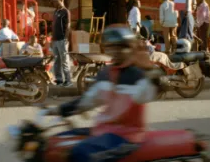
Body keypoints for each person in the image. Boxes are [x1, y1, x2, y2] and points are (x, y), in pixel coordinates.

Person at [42, 25, 157, 162]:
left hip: (127, 136)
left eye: (120, 47)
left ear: (130, 48)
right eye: (111, 47)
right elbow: (88, 100)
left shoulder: (138, 75)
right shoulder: (107, 73)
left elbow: (150, 91)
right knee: (55, 142)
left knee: (79, 153)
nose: (115, 51)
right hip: (103, 129)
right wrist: (58, 110)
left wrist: (150, 71)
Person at [52, 0, 72, 87]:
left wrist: (66, 38)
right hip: (55, 40)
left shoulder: (65, 12)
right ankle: (59, 80)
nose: (55, 3)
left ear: (61, 0)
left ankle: (68, 80)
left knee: (64, 60)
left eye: (57, 1)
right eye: (54, 2)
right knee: (57, 61)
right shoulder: (56, 11)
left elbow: (68, 26)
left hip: (62, 40)